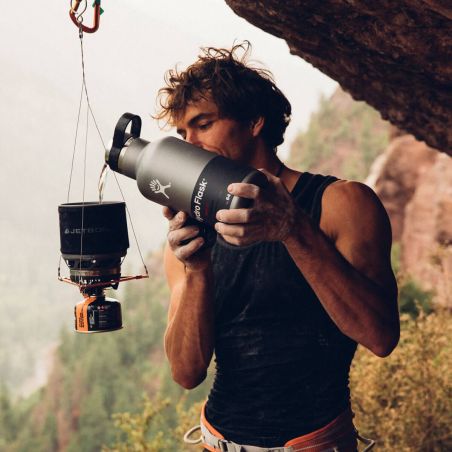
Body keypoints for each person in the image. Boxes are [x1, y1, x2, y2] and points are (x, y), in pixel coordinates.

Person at [156, 42, 399, 451]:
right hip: (217, 443)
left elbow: (380, 336)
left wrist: (293, 230)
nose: (189, 143)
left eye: (203, 124)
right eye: (182, 132)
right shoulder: (192, 231)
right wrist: (197, 270)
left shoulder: (341, 203)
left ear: (254, 121)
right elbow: (186, 372)